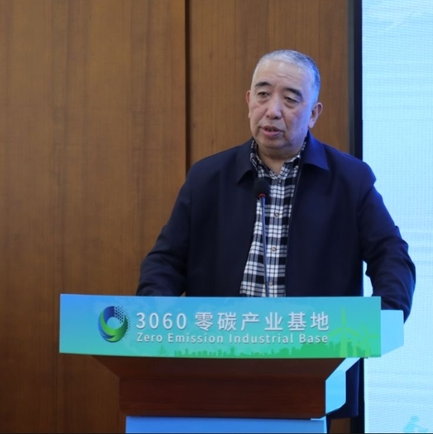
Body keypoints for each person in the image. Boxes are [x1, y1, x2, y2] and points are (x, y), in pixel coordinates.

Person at [136, 49, 416, 420]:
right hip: (217, 361)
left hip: (309, 366)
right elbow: (166, 261)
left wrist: (384, 316)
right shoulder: (208, 177)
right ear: (248, 100)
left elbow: (390, 254)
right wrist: (159, 315)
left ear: (313, 113)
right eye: (263, 94)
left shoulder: (350, 179)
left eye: (290, 99)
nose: (272, 110)